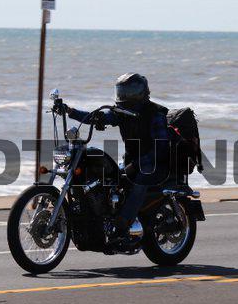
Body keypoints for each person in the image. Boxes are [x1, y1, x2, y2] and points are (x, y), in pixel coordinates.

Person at [55, 73, 170, 242]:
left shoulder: (155, 115)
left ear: (141, 93)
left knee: (140, 182)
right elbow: (96, 117)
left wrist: (138, 164)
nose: (124, 96)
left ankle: (123, 224)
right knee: (109, 178)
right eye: (122, 91)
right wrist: (69, 111)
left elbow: (161, 148)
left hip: (153, 162)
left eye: (129, 92)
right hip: (132, 160)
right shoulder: (122, 113)